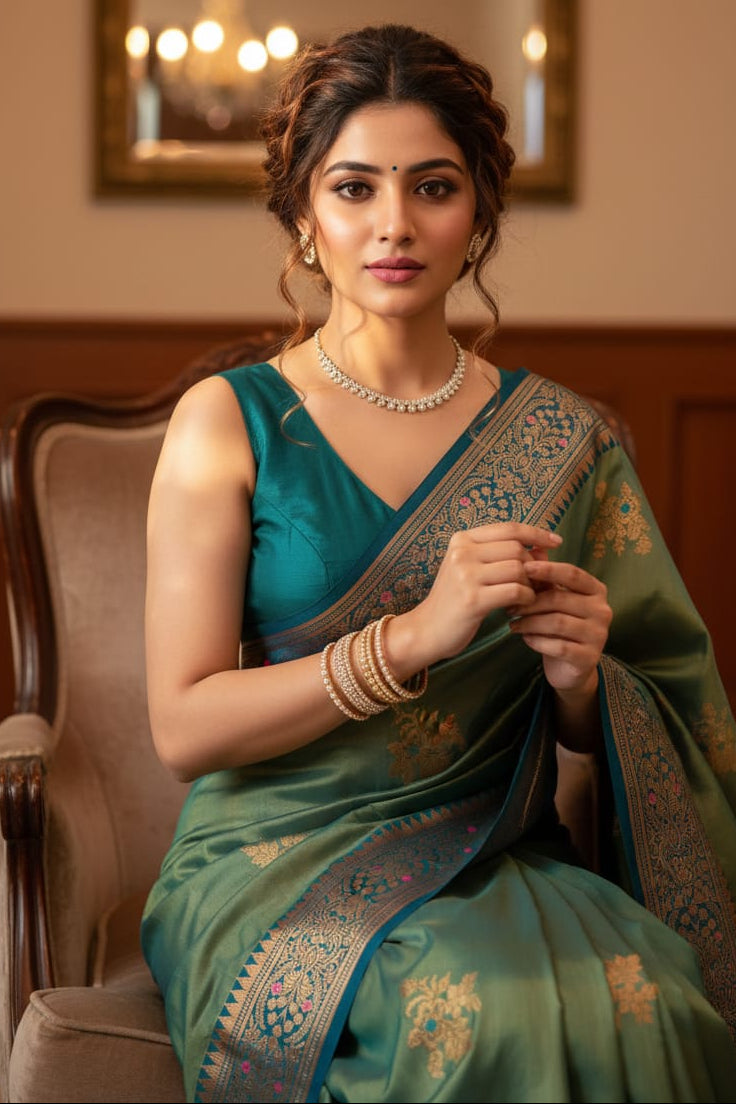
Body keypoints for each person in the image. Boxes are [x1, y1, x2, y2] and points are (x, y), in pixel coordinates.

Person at [140, 22, 736, 1104]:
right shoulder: (229, 422)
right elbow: (182, 726)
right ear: (303, 217)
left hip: (495, 852)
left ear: (479, 218)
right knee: (464, 1017)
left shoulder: (562, 439)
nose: (395, 225)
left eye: (433, 187)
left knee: (640, 998)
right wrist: (414, 638)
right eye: (355, 188)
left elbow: (646, 709)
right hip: (272, 858)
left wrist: (579, 681)